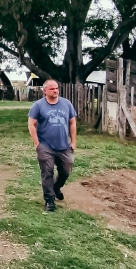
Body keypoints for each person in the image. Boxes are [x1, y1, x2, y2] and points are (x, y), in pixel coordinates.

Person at [28, 79, 77, 212]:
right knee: (47, 173)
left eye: (56, 88)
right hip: (45, 146)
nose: (55, 91)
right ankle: (49, 200)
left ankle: (56, 187)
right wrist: (37, 143)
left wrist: (73, 142)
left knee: (66, 171)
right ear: (45, 91)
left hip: (64, 146)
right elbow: (31, 124)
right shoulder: (38, 106)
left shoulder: (66, 104)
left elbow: (72, 123)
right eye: (52, 89)